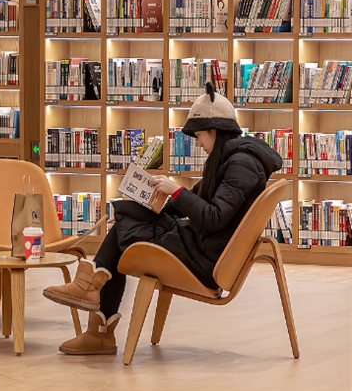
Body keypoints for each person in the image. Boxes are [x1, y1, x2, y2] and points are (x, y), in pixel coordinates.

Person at [43, 82, 283, 355]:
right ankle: (93, 300)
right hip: (201, 245)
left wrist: (175, 190)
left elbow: (213, 217)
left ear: (213, 131)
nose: (199, 144)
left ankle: (96, 316)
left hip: (206, 259)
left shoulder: (241, 164)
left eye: (199, 137)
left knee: (126, 224)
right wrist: (147, 206)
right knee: (129, 216)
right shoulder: (232, 160)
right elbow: (194, 203)